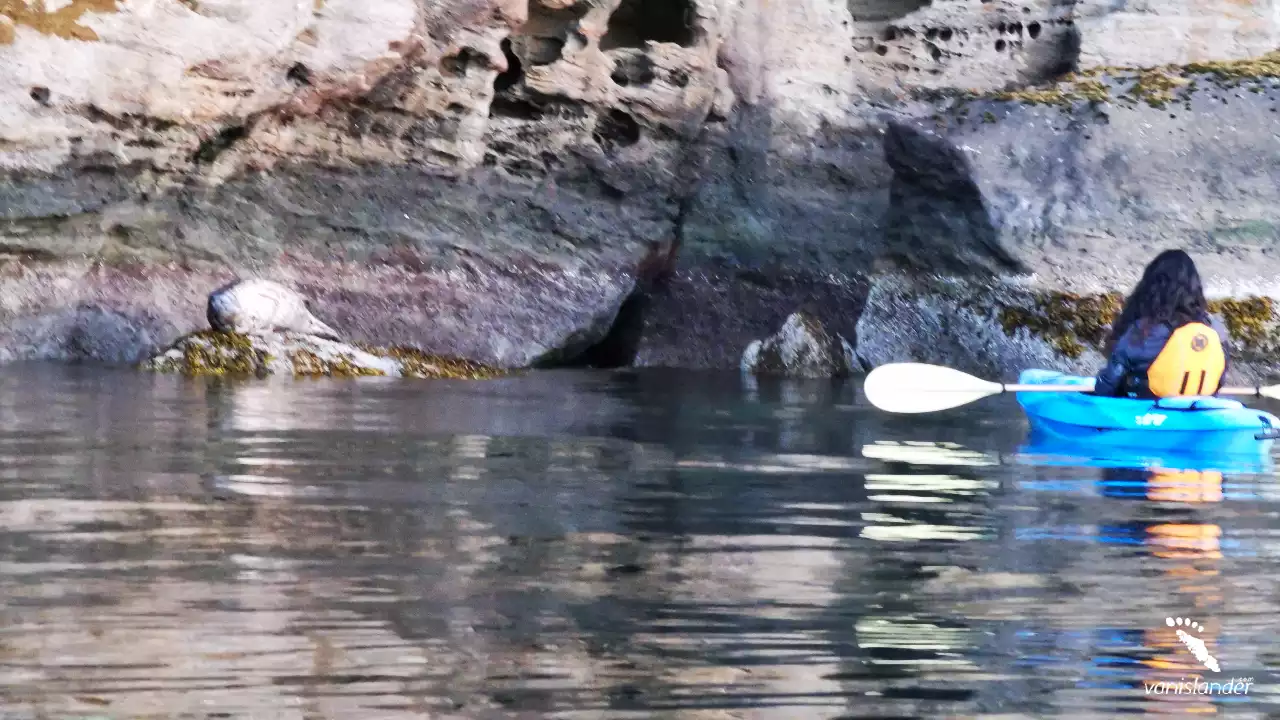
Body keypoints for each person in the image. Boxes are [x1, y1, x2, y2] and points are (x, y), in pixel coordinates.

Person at [1094, 249, 1230, 398]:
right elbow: (1220, 379)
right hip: (1198, 408)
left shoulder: (1144, 330)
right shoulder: (1215, 329)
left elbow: (1108, 383)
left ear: (1152, 287)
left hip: (1146, 408)